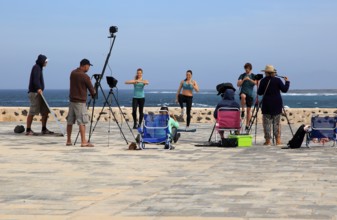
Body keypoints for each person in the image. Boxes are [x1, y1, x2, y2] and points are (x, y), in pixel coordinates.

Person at [66, 59, 96, 147]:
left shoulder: (73, 73)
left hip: (72, 101)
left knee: (70, 121)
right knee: (82, 122)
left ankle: (68, 141)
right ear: (85, 65)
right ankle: (83, 142)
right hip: (80, 102)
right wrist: (95, 90)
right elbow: (92, 91)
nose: (89, 68)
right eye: (89, 66)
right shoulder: (85, 76)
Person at [257, 65, 290, 146]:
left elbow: (259, 92)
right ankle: (278, 140)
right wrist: (287, 82)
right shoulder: (278, 80)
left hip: (266, 104)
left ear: (266, 73)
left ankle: (268, 141)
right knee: (277, 123)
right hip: (277, 104)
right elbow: (284, 90)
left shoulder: (263, 81)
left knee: (267, 123)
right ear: (273, 73)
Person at [26, 54, 54, 135]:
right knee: (32, 111)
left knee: (45, 111)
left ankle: (44, 129)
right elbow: (35, 80)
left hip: (39, 93)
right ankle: (28, 130)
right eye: (45, 61)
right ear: (42, 61)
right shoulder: (36, 68)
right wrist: (38, 88)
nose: (46, 63)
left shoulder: (39, 68)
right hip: (35, 93)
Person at [237, 63, 257, 131]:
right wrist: (243, 80)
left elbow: (256, 83)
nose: (246, 70)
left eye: (247, 68)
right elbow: (238, 84)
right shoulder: (242, 75)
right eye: (245, 68)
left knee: (248, 111)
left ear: (250, 69)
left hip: (250, 95)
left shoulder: (253, 76)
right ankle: (242, 110)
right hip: (243, 92)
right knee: (242, 96)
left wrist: (249, 79)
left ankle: (247, 125)